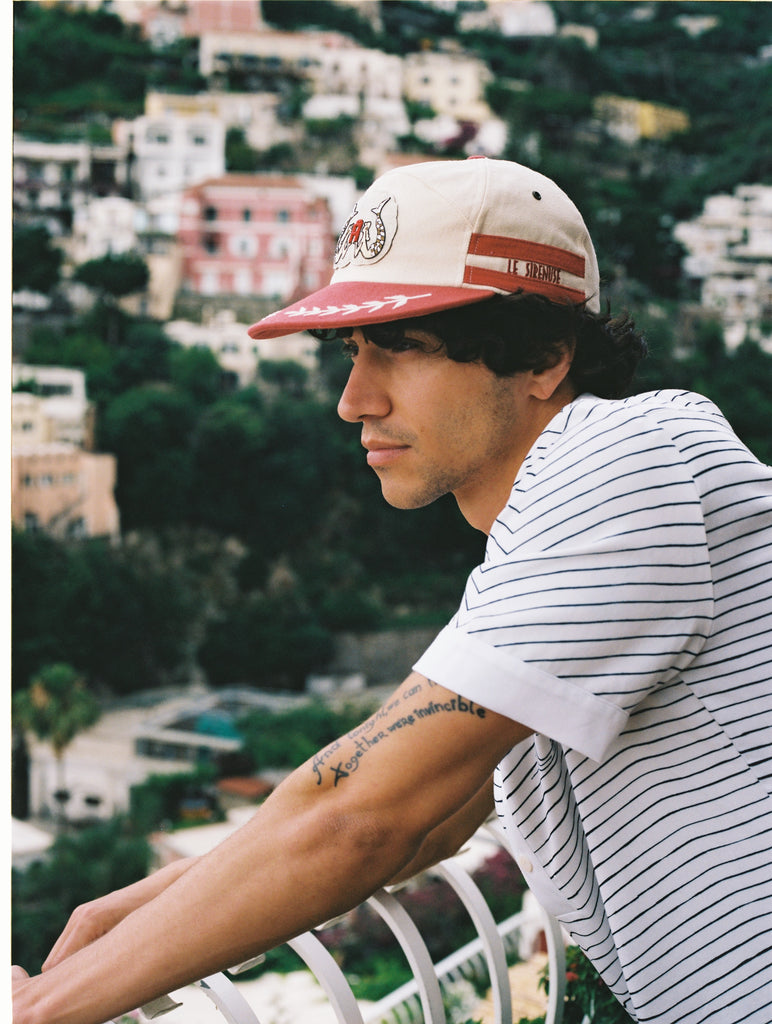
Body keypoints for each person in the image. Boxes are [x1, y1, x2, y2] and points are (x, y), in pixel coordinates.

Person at [12, 157, 772, 1024]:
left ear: (546, 356)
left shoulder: (625, 463)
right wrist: (138, 913)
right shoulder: (546, 550)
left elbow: (364, 810)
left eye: (398, 346)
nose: (352, 399)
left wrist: (41, 1009)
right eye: (351, 350)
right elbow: (437, 813)